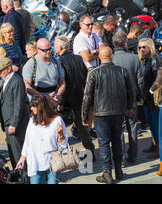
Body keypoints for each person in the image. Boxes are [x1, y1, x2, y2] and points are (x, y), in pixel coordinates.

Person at [82, 46, 134, 184]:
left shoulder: (94, 73)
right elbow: (131, 91)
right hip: (118, 111)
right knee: (117, 140)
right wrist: (130, 107)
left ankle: (107, 172)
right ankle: (118, 170)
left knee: (104, 142)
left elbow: (87, 96)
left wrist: (85, 116)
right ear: (112, 56)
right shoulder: (122, 71)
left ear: (99, 57)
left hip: (101, 113)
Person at [54, 35, 95, 159]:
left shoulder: (60, 61)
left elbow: (63, 82)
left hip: (68, 98)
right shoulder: (78, 58)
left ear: (60, 47)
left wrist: (60, 101)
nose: (54, 47)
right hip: (80, 96)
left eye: (55, 45)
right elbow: (85, 75)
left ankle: (62, 155)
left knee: (59, 127)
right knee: (82, 126)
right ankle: (90, 151)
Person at [15, 95, 67, 184]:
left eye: (33, 105)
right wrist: (22, 157)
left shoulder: (57, 120)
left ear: (41, 107)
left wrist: (61, 135)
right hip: (35, 161)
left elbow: (62, 146)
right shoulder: (32, 120)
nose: (31, 108)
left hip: (53, 162)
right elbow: (27, 141)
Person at [111, 31, 140, 165]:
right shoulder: (134, 58)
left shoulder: (109, 60)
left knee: (118, 129)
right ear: (125, 44)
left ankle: (120, 158)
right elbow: (140, 81)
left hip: (115, 99)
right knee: (132, 127)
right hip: (131, 98)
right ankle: (132, 156)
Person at [0, 57, 28, 167]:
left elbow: (19, 105)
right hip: (9, 123)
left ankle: (22, 178)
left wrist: (14, 124)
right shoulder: (8, 80)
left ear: (8, 69)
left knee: (18, 156)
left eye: (0, 71)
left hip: (15, 125)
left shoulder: (16, 81)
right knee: (13, 155)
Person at [22, 38, 65, 107]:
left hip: (54, 100)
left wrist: (57, 95)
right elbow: (27, 88)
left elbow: (62, 82)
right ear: (38, 49)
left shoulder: (56, 61)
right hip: (39, 103)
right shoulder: (31, 64)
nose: (48, 52)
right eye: (45, 50)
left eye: (49, 49)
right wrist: (46, 97)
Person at [137, 38, 161, 159]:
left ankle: (158, 148)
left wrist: (151, 91)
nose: (141, 49)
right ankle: (154, 144)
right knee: (150, 123)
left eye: (144, 47)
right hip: (146, 97)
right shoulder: (144, 60)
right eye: (140, 47)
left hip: (154, 97)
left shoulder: (154, 60)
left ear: (150, 47)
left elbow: (158, 79)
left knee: (156, 123)